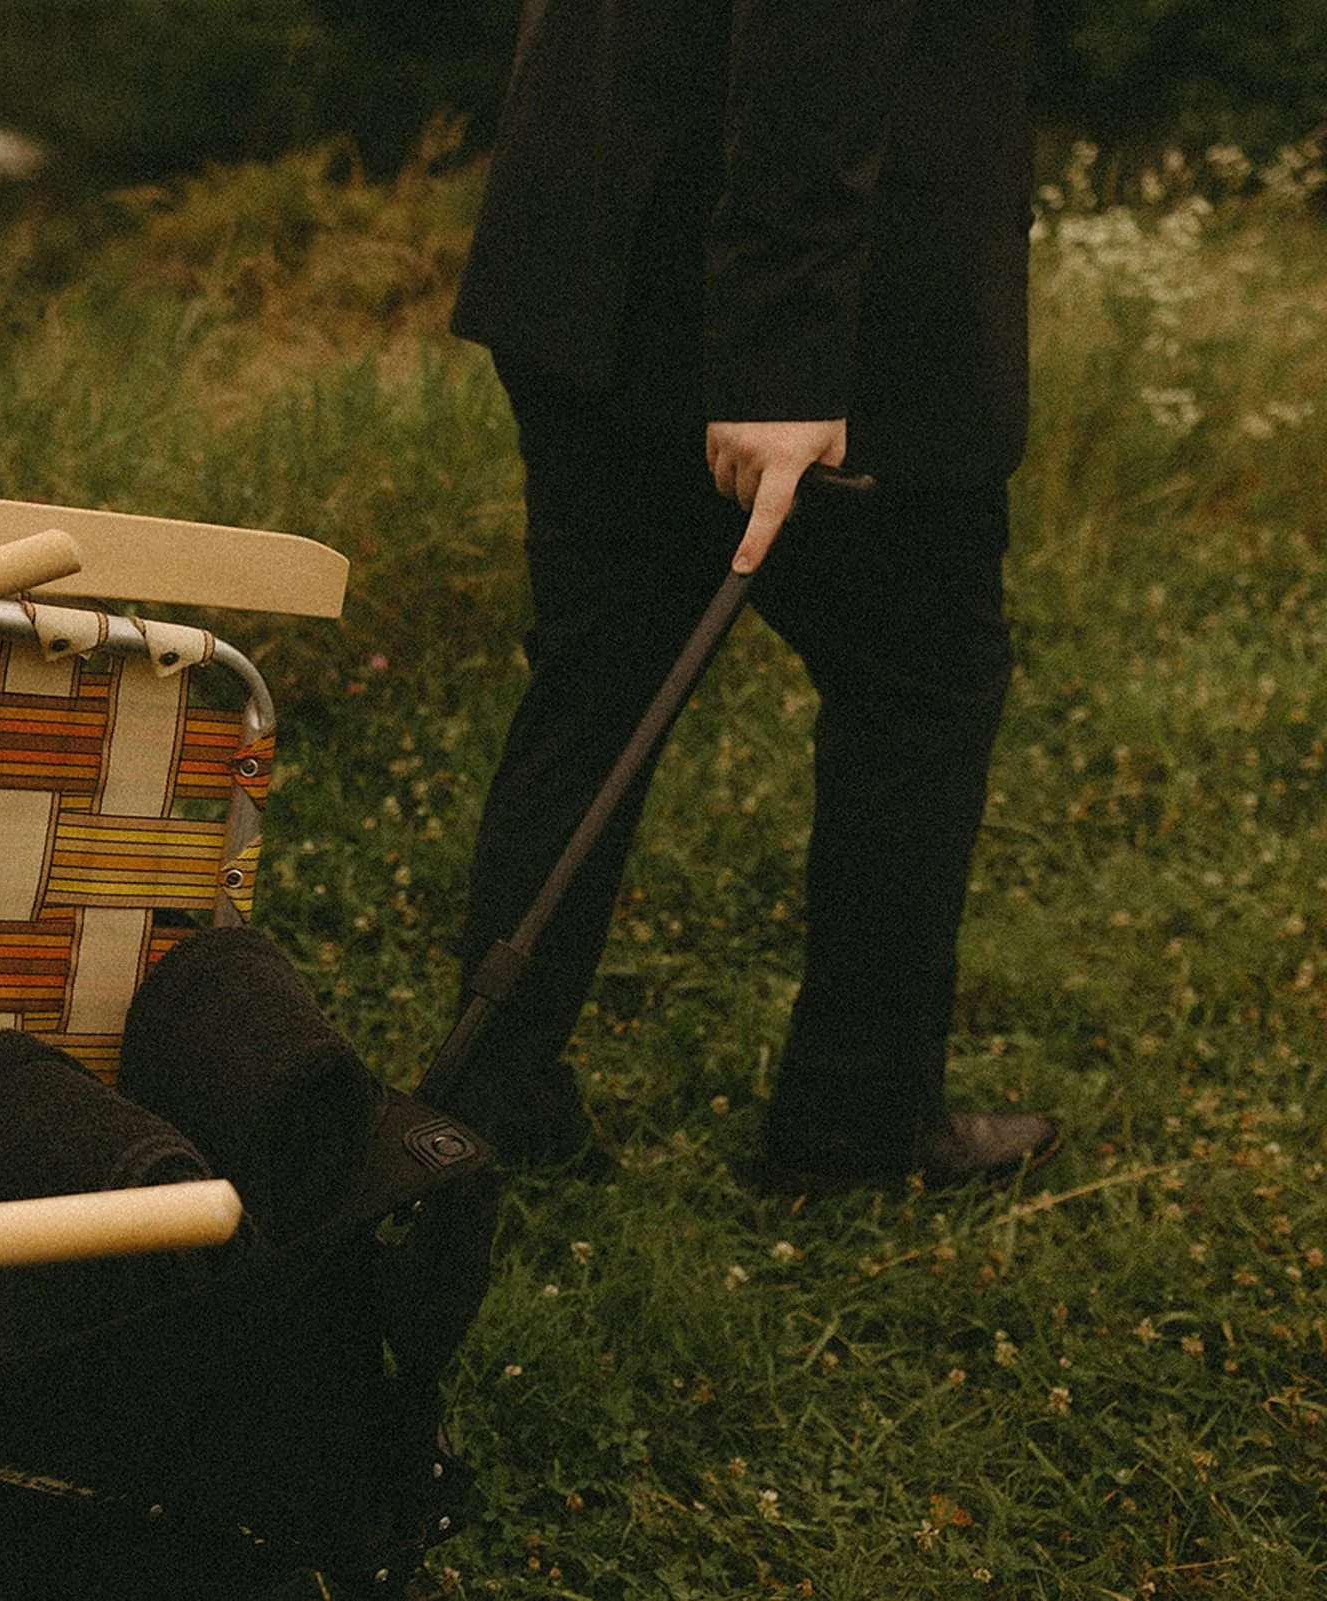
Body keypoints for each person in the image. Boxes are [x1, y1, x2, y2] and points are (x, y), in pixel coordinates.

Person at [434, 0, 1061, 1190]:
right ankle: (858, 1124)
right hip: (811, 316)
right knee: (922, 681)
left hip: (595, 240)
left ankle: (492, 1104)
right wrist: (782, 354)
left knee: (600, 672)